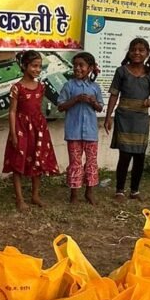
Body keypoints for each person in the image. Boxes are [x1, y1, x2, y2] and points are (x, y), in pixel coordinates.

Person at [104, 37, 150, 200]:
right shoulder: (121, 71)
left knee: (139, 156)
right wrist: (108, 117)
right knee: (124, 155)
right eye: (133, 50)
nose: (137, 53)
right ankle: (120, 190)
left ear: (147, 53)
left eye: (141, 50)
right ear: (129, 52)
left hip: (141, 120)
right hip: (124, 118)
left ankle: (134, 191)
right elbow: (114, 95)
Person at [2, 50, 60, 210]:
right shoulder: (17, 88)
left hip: (38, 128)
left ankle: (35, 195)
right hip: (21, 128)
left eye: (39, 66)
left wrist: (41, 128)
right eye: (34, 66)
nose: (37, 69)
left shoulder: (41, 87)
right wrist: (14, 134)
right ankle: (19, 198)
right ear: (24, 66)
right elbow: (12, 111)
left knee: (37, 159)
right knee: (18, 161)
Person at [57, 51, 104, 204]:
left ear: (90, 68)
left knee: (91, 163)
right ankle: (74, 194)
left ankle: (89, 193)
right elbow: (60, 106)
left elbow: (100, 108)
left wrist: (93, 102)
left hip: (91, 133)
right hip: (74, 133)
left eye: (81, 65)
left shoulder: (95, 87)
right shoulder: (69, 86)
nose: (77, 68)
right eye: (75, 65)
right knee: (75, 163)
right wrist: (76, 99)